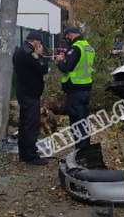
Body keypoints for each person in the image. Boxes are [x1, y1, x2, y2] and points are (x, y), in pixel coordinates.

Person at [12, 30, 49, 165]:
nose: (40, 46)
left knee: (25, 123)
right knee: (31, 125)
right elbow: (42, 68)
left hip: (25, 92)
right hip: (30, 94)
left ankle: (24, 153)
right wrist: (40, 56)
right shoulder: (29, 53)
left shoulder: (21, 50)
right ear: (35, 41)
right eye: (39, 43)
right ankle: (31, 156)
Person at [56, 27, 95, 150]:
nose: (66, 39)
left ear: (71, 35)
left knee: (77, 123)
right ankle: (85, 149)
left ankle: (80, 152)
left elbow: (67, 67)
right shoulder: (88, 47)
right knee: (83, 121)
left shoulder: (76, 47)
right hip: (85, 89)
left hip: (75, 91)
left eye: (67, 37)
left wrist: (59, 61)